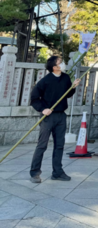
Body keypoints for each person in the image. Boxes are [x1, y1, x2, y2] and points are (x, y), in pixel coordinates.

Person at [29, 55, 81, 183]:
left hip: (61, 115)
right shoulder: (44, 81)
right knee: (42, 144)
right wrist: (43, 109)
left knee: (59, 145)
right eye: (60, 63)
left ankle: (57, 172)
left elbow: (68, 94)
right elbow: (34, 99)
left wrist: (73, 86)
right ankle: (35, 173)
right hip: (48, 116)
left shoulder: (65, 77)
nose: (62, 64)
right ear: (54, 67)